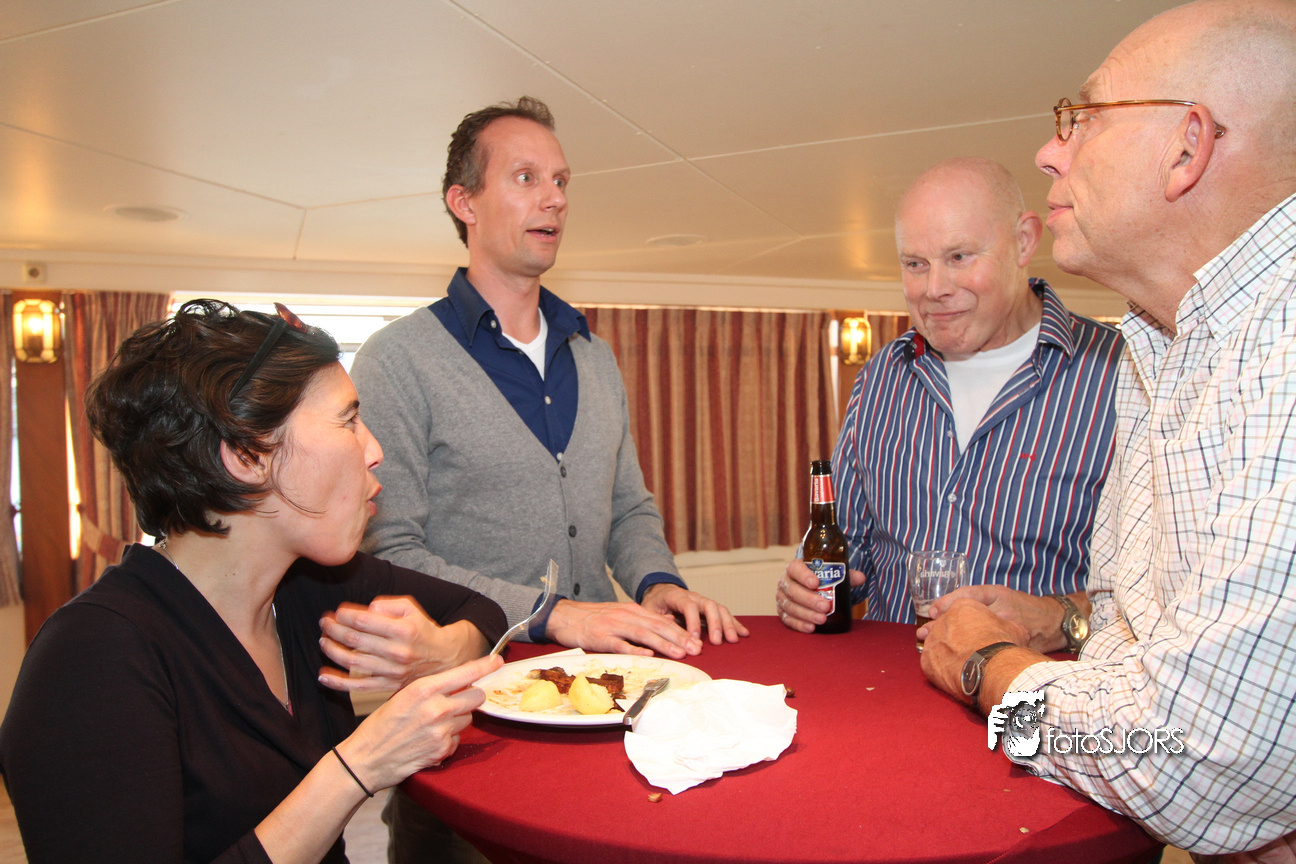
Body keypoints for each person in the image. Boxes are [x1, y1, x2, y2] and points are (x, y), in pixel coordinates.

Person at [920, 1, 1296, 858]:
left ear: (1187, 147)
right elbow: (1138, 630)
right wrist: (1061, 624)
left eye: (1083, 117)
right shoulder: (1156, 350)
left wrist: (986, 668)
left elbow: (1190, 765)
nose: (1050, 151)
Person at [0, 300, 507, 864]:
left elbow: (480, 609)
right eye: (348, 421)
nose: (375, 451)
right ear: (246, 455)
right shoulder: (93, 659)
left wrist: (442, 650)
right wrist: (358, 767)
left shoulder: (312, 586)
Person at [351, 96, 746, 657]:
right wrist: (550, 616)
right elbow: (391, 554)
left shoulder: (595, 357)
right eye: (526, 177)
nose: (555, 198)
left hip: (607, 670)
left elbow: (628, 509)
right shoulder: (397, 359)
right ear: (465, 202)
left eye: (560, 180)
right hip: (477, 680)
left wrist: (657, 584)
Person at [775, 157, 1122, 654]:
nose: (933, 289)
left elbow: (1169, 596)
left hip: (1036, 690)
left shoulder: (1120, 373)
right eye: (915, 264)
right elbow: (844, 548)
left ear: (1024, 242)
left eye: (958, 257)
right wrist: (807, 591)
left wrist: (1061, 618)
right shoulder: (881, 377)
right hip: (888, 684)